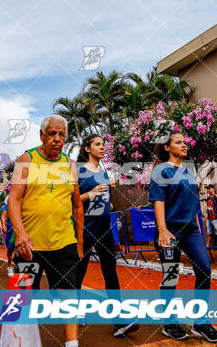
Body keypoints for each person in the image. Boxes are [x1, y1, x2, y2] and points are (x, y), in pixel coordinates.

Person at [8, 115, 84, 347]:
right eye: (52, 133)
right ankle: (17, 340)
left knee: (68, 295)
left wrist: (79, 244)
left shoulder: (70, 165)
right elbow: (14, 199)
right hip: (30, 245)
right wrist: (19, 233)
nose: (57, 139)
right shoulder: (27, 159)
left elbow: (78, 206)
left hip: (63, 243)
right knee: (24, 297)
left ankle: (72, 343)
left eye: (62, 134)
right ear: (42, 135)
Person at [149, 132, 217, 343]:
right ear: (167, 147)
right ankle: (170, 322)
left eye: (185, 142)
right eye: (178, 142)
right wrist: (162, 230)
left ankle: (201, 322)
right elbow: (159, 201)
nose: (184, 145)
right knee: (171, 275)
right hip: (169, 230)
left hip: (191, 230)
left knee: (204, 268)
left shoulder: (188, 170)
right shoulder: (161, 171)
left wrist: (197, 224)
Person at [75, 134, 140, 338]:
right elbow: (71, 199)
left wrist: (107, 205)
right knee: (79, 273)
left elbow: (104, 198)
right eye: (97, 144)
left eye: (104, 144)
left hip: (104, 227)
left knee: (111, 272)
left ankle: (119, 321)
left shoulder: (103, 171)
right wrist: (90, 195)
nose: (103, 147)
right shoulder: (78, 170)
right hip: (85, 228)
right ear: (87, 148)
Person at [204, 185, 217, 251]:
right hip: (209, 218)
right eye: (207, 189)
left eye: (209, 189)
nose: (208, 190)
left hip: (215, 217)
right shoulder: (208, 198)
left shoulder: (216, 197)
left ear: (212, 189)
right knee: (209, 233)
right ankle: (207, 245)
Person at [1, 196, 16, 277]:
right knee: (10, 248)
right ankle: (9, 266)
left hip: (24, 225)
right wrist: (3, 224)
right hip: (11, 226)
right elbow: (4, 214)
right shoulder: (8, 198)